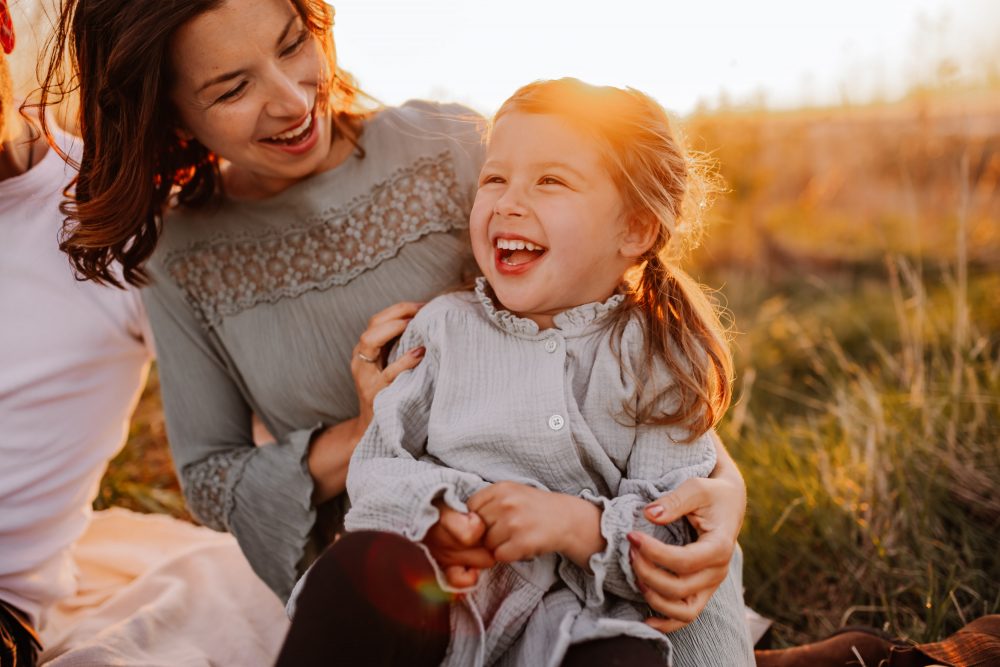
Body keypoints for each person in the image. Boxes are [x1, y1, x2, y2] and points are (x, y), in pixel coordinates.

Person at [39, 0, 748, 631]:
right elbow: (211, 478)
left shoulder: (449, 149)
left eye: (292, 44)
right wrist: (368, 428)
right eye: (232, 87)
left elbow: (616, 310)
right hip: (391, 571)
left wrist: (724, 487)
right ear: (167, 110)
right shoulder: (182, 255)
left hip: (570, 541)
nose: (290, 99)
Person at [279, 78, 755, 667]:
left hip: (577, 626)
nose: (508, 201)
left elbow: (676, 535)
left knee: (625, 659)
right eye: (494, 178)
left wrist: (576, 526)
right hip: (446, 606)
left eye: (550, 181)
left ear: (634, 228)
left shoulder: (658, 353)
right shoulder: (444, 329)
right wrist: (434, 513)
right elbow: (378, 465)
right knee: (352, 576)